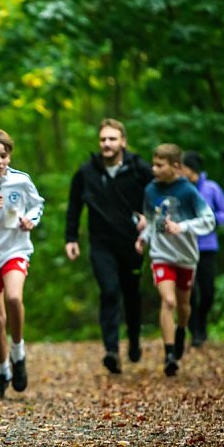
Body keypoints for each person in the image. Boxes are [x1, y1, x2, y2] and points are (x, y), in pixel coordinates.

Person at [64, 118, 153, 374]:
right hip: (101, 243)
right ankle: (111, 350)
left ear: (123, 141)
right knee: (110, 291)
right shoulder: (86, 172)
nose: (107, 144)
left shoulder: (139, 169)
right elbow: (74, 206)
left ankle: (134, 340)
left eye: (112, 139)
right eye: (103, 139)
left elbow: (158, 194)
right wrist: (71, 238)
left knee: (132, 294)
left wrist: (149, 217)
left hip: (132, 243)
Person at [0, 129, 44, 398]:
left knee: (14, 298)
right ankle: (3, 371)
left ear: (9, 156)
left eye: (3, 156)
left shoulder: (21, 181)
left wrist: (30, 220)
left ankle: (19, 353)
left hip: (16, 248)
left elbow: (37, 206)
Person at [135, 144, 215, 376]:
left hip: (186, 256)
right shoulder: (150, 190)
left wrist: (183, 226)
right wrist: (143, 238)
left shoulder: (188, 191)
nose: (154, 169)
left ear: (175, 166)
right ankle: (169, 354)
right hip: (161, 255)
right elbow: (152, 221)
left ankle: (181, 330)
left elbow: (208, 220)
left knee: (183, 305)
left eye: (160, 165)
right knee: (168, 302)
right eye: (154, 164)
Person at [180, 151, 224, 347]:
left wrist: (210, 221)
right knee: (189, 292)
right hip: (184, 248)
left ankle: (201, 322)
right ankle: (195, 332)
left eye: (182, 168)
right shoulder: (179, 189)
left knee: (208, 292)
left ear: (190, 169)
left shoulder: (211, 188)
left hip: (207, 247)